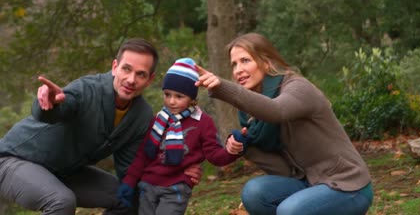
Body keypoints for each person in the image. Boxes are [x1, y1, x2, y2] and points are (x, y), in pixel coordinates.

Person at [0, 38, 201, 215]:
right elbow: (57, 109)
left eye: (140, 74)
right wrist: (49, 102)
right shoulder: (88, 89)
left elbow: (132, 170)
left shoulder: (140, 116)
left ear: (150, 80)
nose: (131, 80)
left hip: (65, 171)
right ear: (115, 67)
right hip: (14, 160)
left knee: (130, 196)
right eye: (126, 69)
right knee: (61, 201)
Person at [195, 33, 373, 215]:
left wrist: (222, 88)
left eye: (245, 60)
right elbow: (286, 171)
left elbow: (276, 110)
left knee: (289, 211)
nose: (238, 69)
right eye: (234, 64)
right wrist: (245, 146)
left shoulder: (297, 87)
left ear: (266, 62)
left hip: (348, 184)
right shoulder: (252, 114)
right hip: (309, 182)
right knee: (254, 193)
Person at [117, 57, 239, 215]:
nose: (171, 101)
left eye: (179, 96)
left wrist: (233, 149)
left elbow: (214, 155)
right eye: (167, 94)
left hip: (175, 188)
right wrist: (129, 181)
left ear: (191, 98)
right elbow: (143, 155)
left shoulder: (202, 122)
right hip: (148, 186)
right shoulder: (158, 120)